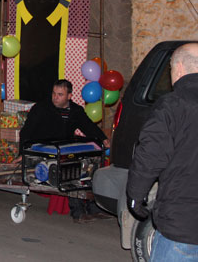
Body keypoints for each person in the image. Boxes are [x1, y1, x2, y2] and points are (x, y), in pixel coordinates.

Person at [127, 43, 198, 260]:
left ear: (178, 68)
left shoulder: (172, 105)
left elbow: (150, 156)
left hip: (183, 226)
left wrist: (135, 197)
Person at [20, 79, 110, 223]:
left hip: (64, 148)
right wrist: (22, 153)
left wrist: (103, 138)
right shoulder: (41, 108)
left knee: (89, 164)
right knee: (71, 168)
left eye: (60, 94)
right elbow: (26, 132)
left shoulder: (75, 110)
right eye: (54, 94)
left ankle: (93, 207)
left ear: (69, 96)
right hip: (43, 149)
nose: (55, 97)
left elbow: (88, 126)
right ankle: (78, 211)